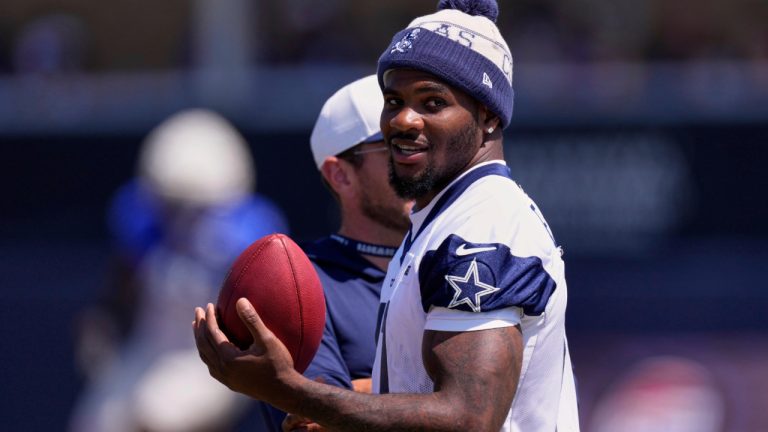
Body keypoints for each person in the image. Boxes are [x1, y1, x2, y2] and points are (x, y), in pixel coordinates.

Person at [194, 1, 580, 430]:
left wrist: (288, 389)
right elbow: (424, 392)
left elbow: (470, 419)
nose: (403, 119)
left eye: (432, 102)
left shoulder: (483, 222)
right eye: (394, 100)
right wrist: (336, 403)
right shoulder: (437, 223)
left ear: (487, 115)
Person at [70, 108, 289, 432]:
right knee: (96, 423)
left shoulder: (248, 235)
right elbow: (123, 283)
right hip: (151, 349)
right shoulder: (145, 221)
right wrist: (105, 320)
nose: (182, 216)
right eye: (172, 204)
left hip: (213, 355)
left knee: (157, 415)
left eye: (193, 206)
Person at [242, 75, 413, 431]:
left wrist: (364, 391)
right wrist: (455, 391)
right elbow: (318, 418)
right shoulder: (298, 285)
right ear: (341, 176)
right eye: (397, 146)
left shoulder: (465, 257)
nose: (421, 161)